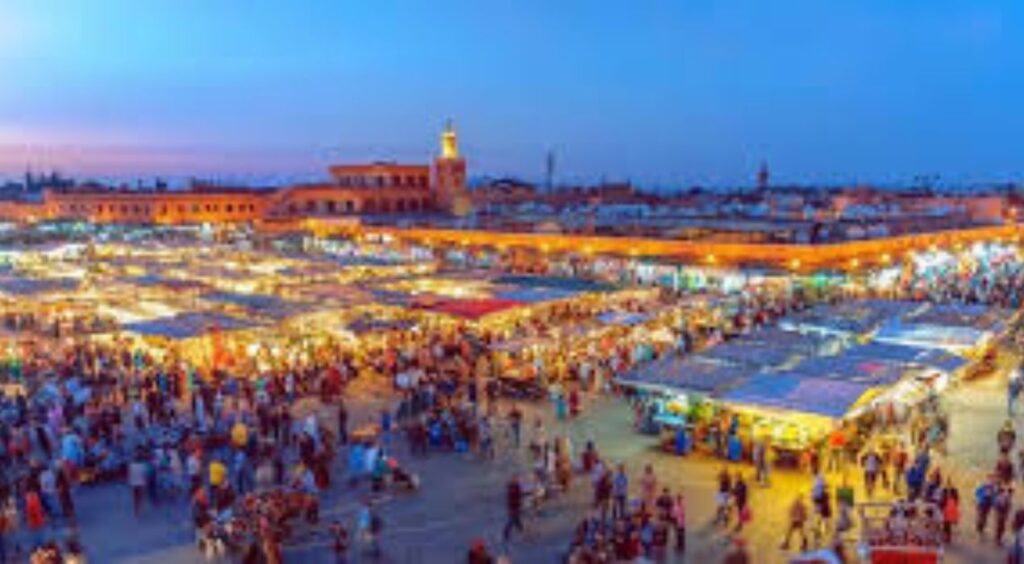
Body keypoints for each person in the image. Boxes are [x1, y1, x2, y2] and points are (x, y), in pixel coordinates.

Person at [503, 475, 524, 543]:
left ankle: (521, 531)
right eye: (516, 479)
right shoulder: (513, 488)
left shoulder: (515, 487)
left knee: (516, 520)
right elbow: (516, 497)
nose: (518, 480)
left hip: (514, 507)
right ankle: (506, 533)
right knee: (513, 520)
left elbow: (519, 496)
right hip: (513, 507)